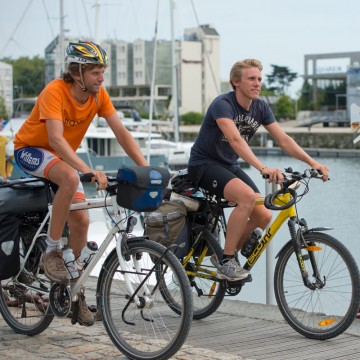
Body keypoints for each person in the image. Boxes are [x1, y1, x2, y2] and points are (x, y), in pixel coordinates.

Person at [13, 41, 148, 325]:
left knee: (82, 223)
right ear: (78, 73)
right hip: (31, 150)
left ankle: (71, 294)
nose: (102, 77)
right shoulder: (55, 91)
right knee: (70, 176)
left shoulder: (99, 96)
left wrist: (146, 168)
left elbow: (122, 133)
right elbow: (55, 140)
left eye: (103, 71)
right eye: (96, 72)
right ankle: (51, 250)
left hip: (62, 159)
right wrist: (87, 170)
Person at [187, 58, 329, 282]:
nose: (257, 83)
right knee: (247, 198)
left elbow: (283, 139)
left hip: (228, 166)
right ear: (236, 82)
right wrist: (262, 167)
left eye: (259, 79)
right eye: (251, 78)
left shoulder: (260, 107)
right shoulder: (222, 104)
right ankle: (227, 262)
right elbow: (235, 140)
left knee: (263, 213)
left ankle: (224, 253)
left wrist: (313, 163)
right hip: (203, 165)